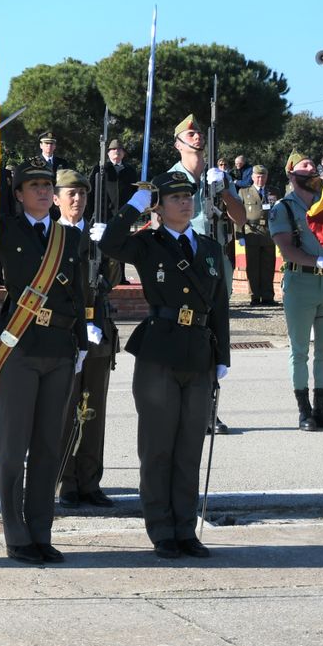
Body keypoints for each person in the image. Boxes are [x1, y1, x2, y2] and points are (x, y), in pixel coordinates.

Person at [100, 171, 230, 560]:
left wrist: (222, 356)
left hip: (199, 351)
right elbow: (110, 243)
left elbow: (220, 302)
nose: (184, 202)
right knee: (158, 447)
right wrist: (132, 207)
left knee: (189, 447)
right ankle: (161, 530)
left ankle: (185, 529)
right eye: (174, 197)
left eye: (188, 196)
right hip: (160, 349)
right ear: (159, 206)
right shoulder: (148, 244)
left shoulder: (208, 247)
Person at [0, 164, 93, 565]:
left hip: (60, 347)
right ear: (17, 194)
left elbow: (80, 289)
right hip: (19, 345)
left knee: (49, 446)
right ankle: (16, 534)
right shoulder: (5, 231)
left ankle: (41, 531)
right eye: (33, 186)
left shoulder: (68, 236)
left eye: (47, 186)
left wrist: (82, 341)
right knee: (14, 447)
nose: (42, 191)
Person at [167, 114, 244, 434]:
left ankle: (210, 408)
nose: (196, 137)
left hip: (215, 260)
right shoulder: (169, 178)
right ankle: (178, 406)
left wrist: (224, 191)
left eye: (199, 134)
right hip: (183, 262)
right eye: (190, 134)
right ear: (178, 144)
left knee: (214, 333)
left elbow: (242, 218)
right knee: (182, 333)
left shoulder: (219, 176)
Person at [52, 168, 118, 510]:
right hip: (66, 335)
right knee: (66, 412)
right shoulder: (52, 236)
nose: (77, 200)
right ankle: (66, 483)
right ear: (57, 199)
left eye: (82, 194)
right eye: (70, 194)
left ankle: (90, 481)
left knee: (93, 411)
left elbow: (112, 279)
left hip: (99, 335)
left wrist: (107, 247)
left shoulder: (96, 235)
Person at [270, 153, 323, 431]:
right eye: (304, 166)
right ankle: (304, 411)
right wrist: (316, 261)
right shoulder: (283, 209)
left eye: (312, 165)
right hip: (301, 283)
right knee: (300, 350)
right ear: (291, 174)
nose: (311, 168)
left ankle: (322, 408)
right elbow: (286, 248)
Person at [237, 166, 277, 306]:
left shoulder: (273, 192)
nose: (260, 179)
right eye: (258, 176)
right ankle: (254, 296)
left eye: (263, 176)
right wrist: (239, 234)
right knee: (253, 267)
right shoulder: (244, 192)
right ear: (253, 177)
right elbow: (238, 214)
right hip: (251, 232)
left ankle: (268, 296)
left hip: (268, 233)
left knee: (268, 266)